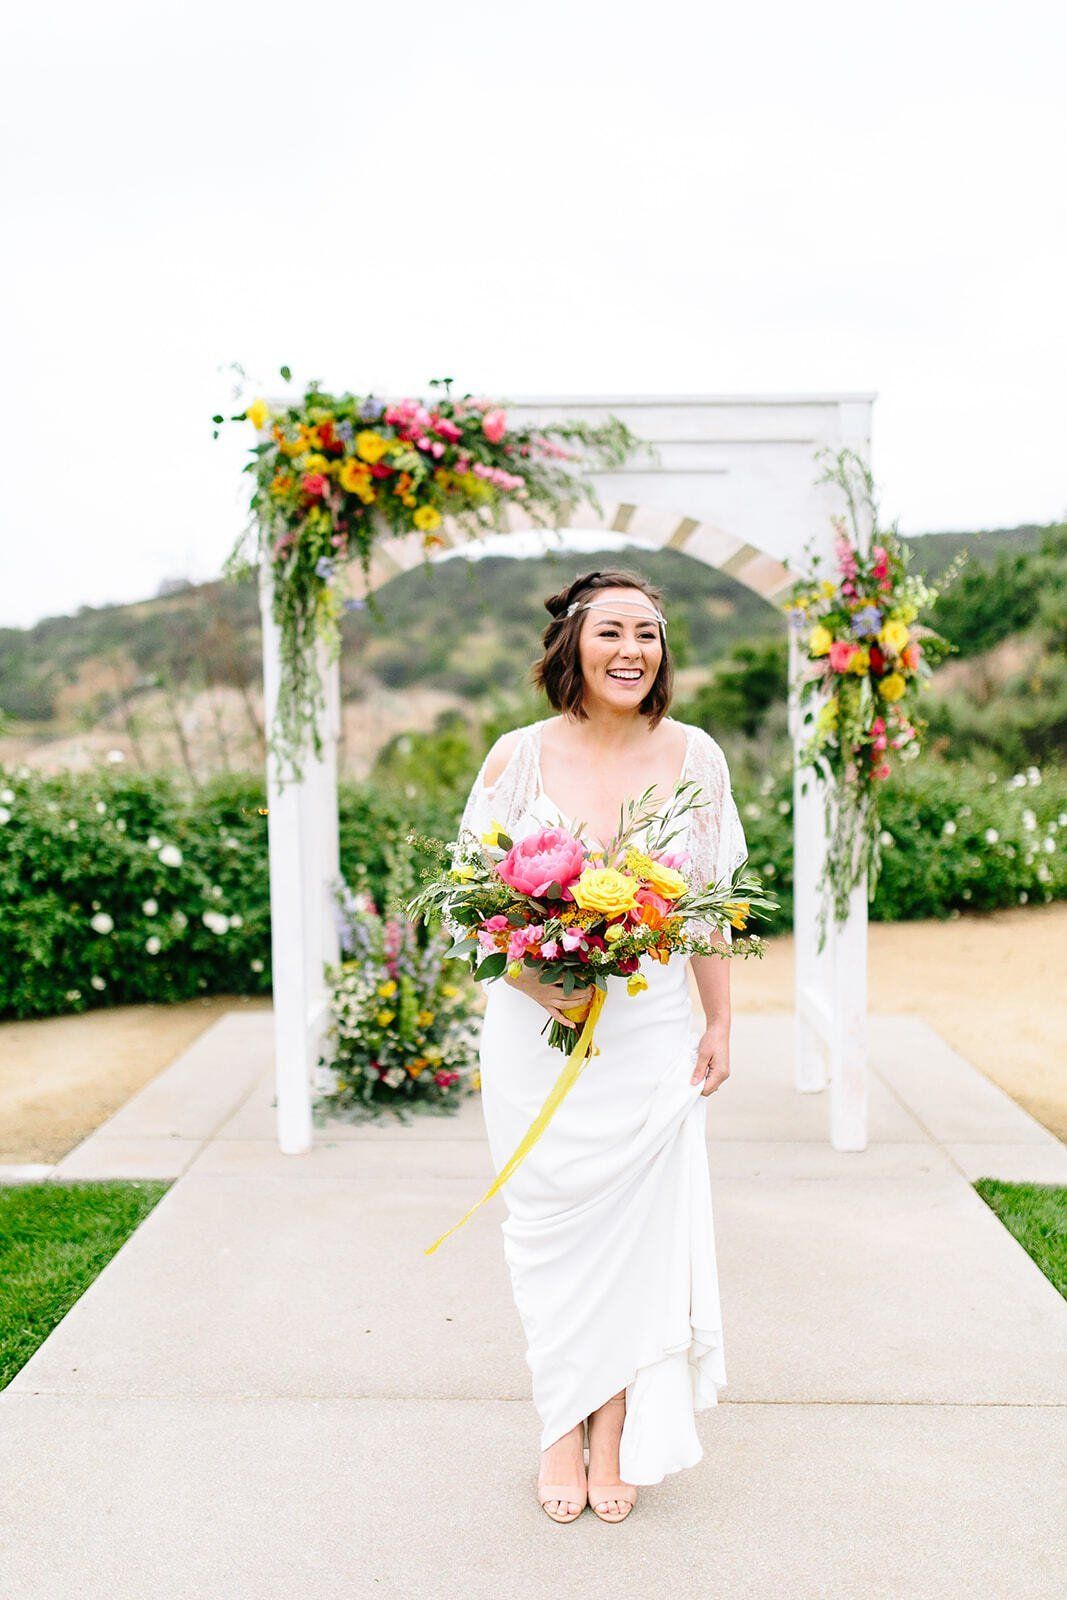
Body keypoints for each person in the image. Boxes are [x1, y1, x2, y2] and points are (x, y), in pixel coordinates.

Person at [451, 567, 747, 1524]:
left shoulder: (695, 755)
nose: (632, 650)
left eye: (649, 634)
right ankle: (555, 1425)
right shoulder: (517, 759)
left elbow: (704, 909)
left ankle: (611, 1434)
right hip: (538, 1031)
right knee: (546, 1228)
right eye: (612, 631)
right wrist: (550, 987)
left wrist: (720, 1020)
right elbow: (471, 913)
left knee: (634, 1236)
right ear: (572, 644)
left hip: (652, 1027)